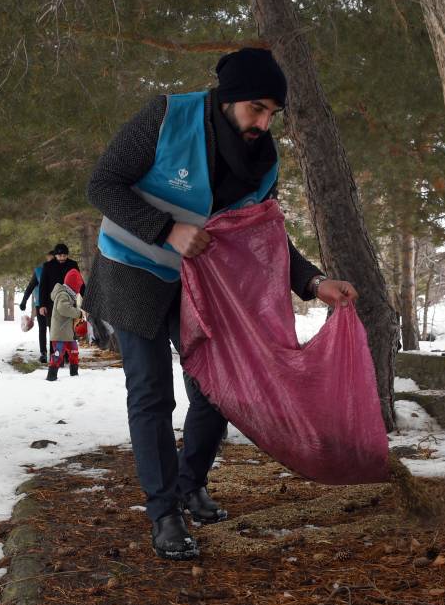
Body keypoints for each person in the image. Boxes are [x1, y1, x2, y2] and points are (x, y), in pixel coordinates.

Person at [84, 48, 358, 560]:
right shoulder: (166, 116)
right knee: (151, 393)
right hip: (134, 269)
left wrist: (312, 282)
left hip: (203, 280)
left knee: (215, 391)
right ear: (229, 98)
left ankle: (190, 484)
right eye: (257, 108)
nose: (264, 123)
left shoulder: (262, 162)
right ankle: (163, 513)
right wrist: (166, 230)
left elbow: (264, 237)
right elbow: (102, 185)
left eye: (273, 113)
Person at [46, 268, 87, 381]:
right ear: (74, 286)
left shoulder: (70, 296)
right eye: (78, 287)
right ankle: (52, 375)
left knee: (74, 351)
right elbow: (63, 308)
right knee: (58, 353)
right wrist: (78, 313)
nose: (78, 290)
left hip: (68, 333)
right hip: (60, 333)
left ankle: (74, 372)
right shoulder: (63, 295)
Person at [19, 250, 55, 363]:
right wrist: (24, 301)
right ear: (47, 258)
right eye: (49, 258)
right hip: (40, 304)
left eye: (53, 258)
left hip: (55, 305)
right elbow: (30, 287)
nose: (51, 260)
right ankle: (43, 353)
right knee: (42, 329)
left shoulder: (59, 270)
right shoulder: (39, 271)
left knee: (53, 329)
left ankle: (54, 353)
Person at [37, 242, 79, 322]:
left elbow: (78, 282)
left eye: (64, 256)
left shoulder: (73, 265)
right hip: (51, 303)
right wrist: (42, 305)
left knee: (70, 326)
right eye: (60, 256)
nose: (62, 258)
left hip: (70, 301)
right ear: (55, 255)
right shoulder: (48, 266)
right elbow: (43, 286)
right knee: (53, 326)